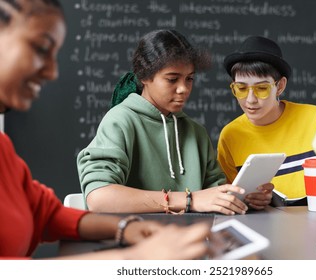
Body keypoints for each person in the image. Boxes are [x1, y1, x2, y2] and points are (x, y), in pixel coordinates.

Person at [0, 0, 210, 260]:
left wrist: (127, 227)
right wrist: (138, 258)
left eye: (190, 79)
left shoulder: (3, 148)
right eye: (41, 48)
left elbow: (47, 214)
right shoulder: (122, 120)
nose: (53, 72)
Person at [77, 29, 263, 214]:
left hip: (194, 237)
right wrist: (190, 200)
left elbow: (215, 194)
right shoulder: (120, 121)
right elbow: (99, 198)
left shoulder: (195, 132)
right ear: (144, 76)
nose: (183, 88)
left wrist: (244, 198)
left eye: (189, 78)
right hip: (139, 237)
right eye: (172, 79)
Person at [218, 36, 316, 202]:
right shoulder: (230, 136)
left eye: (261, 88)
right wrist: (253, 202)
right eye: (241, 88)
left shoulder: (315, 119)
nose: (250, 99)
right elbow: (230, 199)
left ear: (280, 86)